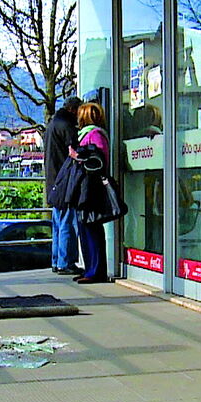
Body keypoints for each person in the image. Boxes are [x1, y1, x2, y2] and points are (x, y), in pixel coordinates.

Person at [71, 102, 110, 284]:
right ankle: (90, 269)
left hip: (91, 187)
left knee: (91, 228)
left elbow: (97, 160)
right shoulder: (87, 134)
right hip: (85, 186)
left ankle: (96, 270)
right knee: (85, 228)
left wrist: (77, 156)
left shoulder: (95, 135)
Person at [43, 95, 82, 275]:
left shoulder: (51, 125)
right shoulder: (67, 126)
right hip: (65, 180)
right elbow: (74, 151)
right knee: (68, 222)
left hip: (53, 181)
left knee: (58, 223)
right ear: (73, 110)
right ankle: (66, 262)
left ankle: (56, 260)